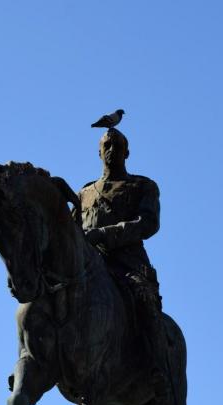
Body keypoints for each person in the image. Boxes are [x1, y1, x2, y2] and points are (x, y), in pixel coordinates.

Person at [78, 127, 167, 387]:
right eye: (106, 146)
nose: (111, 150)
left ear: (127, 153)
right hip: (89, 266)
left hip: (128, 264)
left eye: (117, 146)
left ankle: (157, 369)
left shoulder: (142, 186)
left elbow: (148, 223)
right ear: (98, 152)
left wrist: (103, 234)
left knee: (144, 298)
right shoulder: (84, 193)